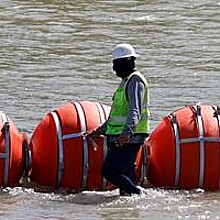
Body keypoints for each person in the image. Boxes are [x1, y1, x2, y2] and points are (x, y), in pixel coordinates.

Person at [86, 43, 150, 195]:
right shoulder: (125, 82)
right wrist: (98, 131)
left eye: (116, 64)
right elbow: (115, 116)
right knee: (126, 174)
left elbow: (135, 110)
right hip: (121, 136)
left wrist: (127, 133)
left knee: (110, 171)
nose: (114, 70)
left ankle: (138, 194)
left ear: (127, 62)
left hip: (129, 137)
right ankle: (130, 208)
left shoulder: (135, 81)